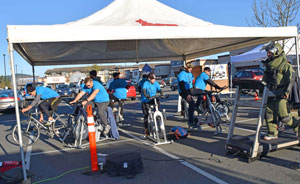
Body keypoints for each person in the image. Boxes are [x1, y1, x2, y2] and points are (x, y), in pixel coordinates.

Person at [262, 41, 299, 140]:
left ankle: (298, 127)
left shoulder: (285, 65)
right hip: (270, 94)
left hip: (281, 94)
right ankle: (272, 133)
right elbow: (264, 80)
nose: (268, 54)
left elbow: (291, 79)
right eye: (267, 52)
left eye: (269, 52)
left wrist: (287, 91)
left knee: (284, 117)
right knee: (268, 114)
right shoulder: (268, 66)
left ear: (276, 52)